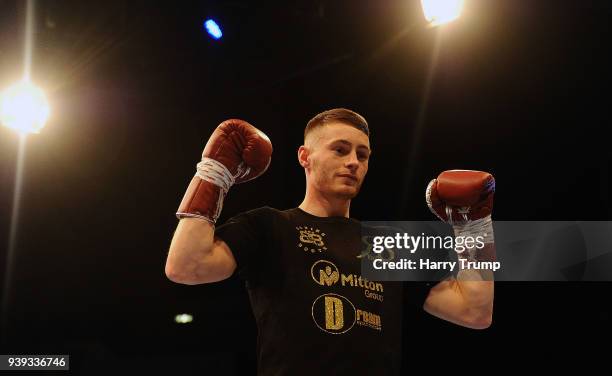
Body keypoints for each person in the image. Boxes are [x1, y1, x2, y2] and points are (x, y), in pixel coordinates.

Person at [165, 109, 495, 375]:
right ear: (305, 157)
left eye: (362, 155)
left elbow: (473, 311)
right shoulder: (270, 225)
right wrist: (213, 173)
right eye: (340, 149)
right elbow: (187, 267)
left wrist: (474, 229)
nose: (353, 161)